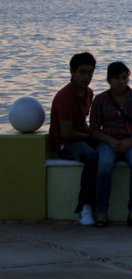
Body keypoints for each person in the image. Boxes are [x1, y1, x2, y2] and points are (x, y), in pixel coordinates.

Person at [90, 61, 132, 228]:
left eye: (125, 78)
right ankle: (102, 211)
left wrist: (130, 141)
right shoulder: (100, 100)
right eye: (117, 78)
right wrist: (110, 141)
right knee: (104, 165)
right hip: (108, 142)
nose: (121, 82)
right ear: (109, 80)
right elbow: (94, 129)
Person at [48, 52, 99, 226]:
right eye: (82, 72)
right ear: (72, 72)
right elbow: (66, 133)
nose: (87, 77)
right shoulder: (65, 97)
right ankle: (84, 206)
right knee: (91, 157)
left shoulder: (89, 93)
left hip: (80, 138)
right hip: (65, 144)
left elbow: (82, 122)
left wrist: (95, 135)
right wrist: (88, 136)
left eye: (90, 72)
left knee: (109, 148)